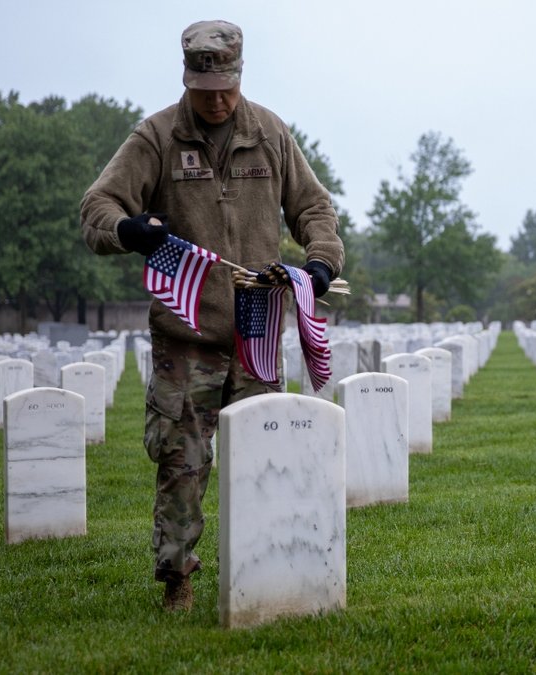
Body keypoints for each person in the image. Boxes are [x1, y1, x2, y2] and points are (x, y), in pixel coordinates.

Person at [80, 19, 343, 611]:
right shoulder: (156, 137)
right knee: (182, 462)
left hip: (255, 333)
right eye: (205, 89)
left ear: (240, 75)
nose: (218, 100)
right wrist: (129, 230)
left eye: (226, 87)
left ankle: (270, 565)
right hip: (186, 338)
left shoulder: (270, 133)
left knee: (269, 457)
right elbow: (98, 205)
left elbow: (314, 208)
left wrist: (321, 264)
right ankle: (177, 580)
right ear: (187, 79)